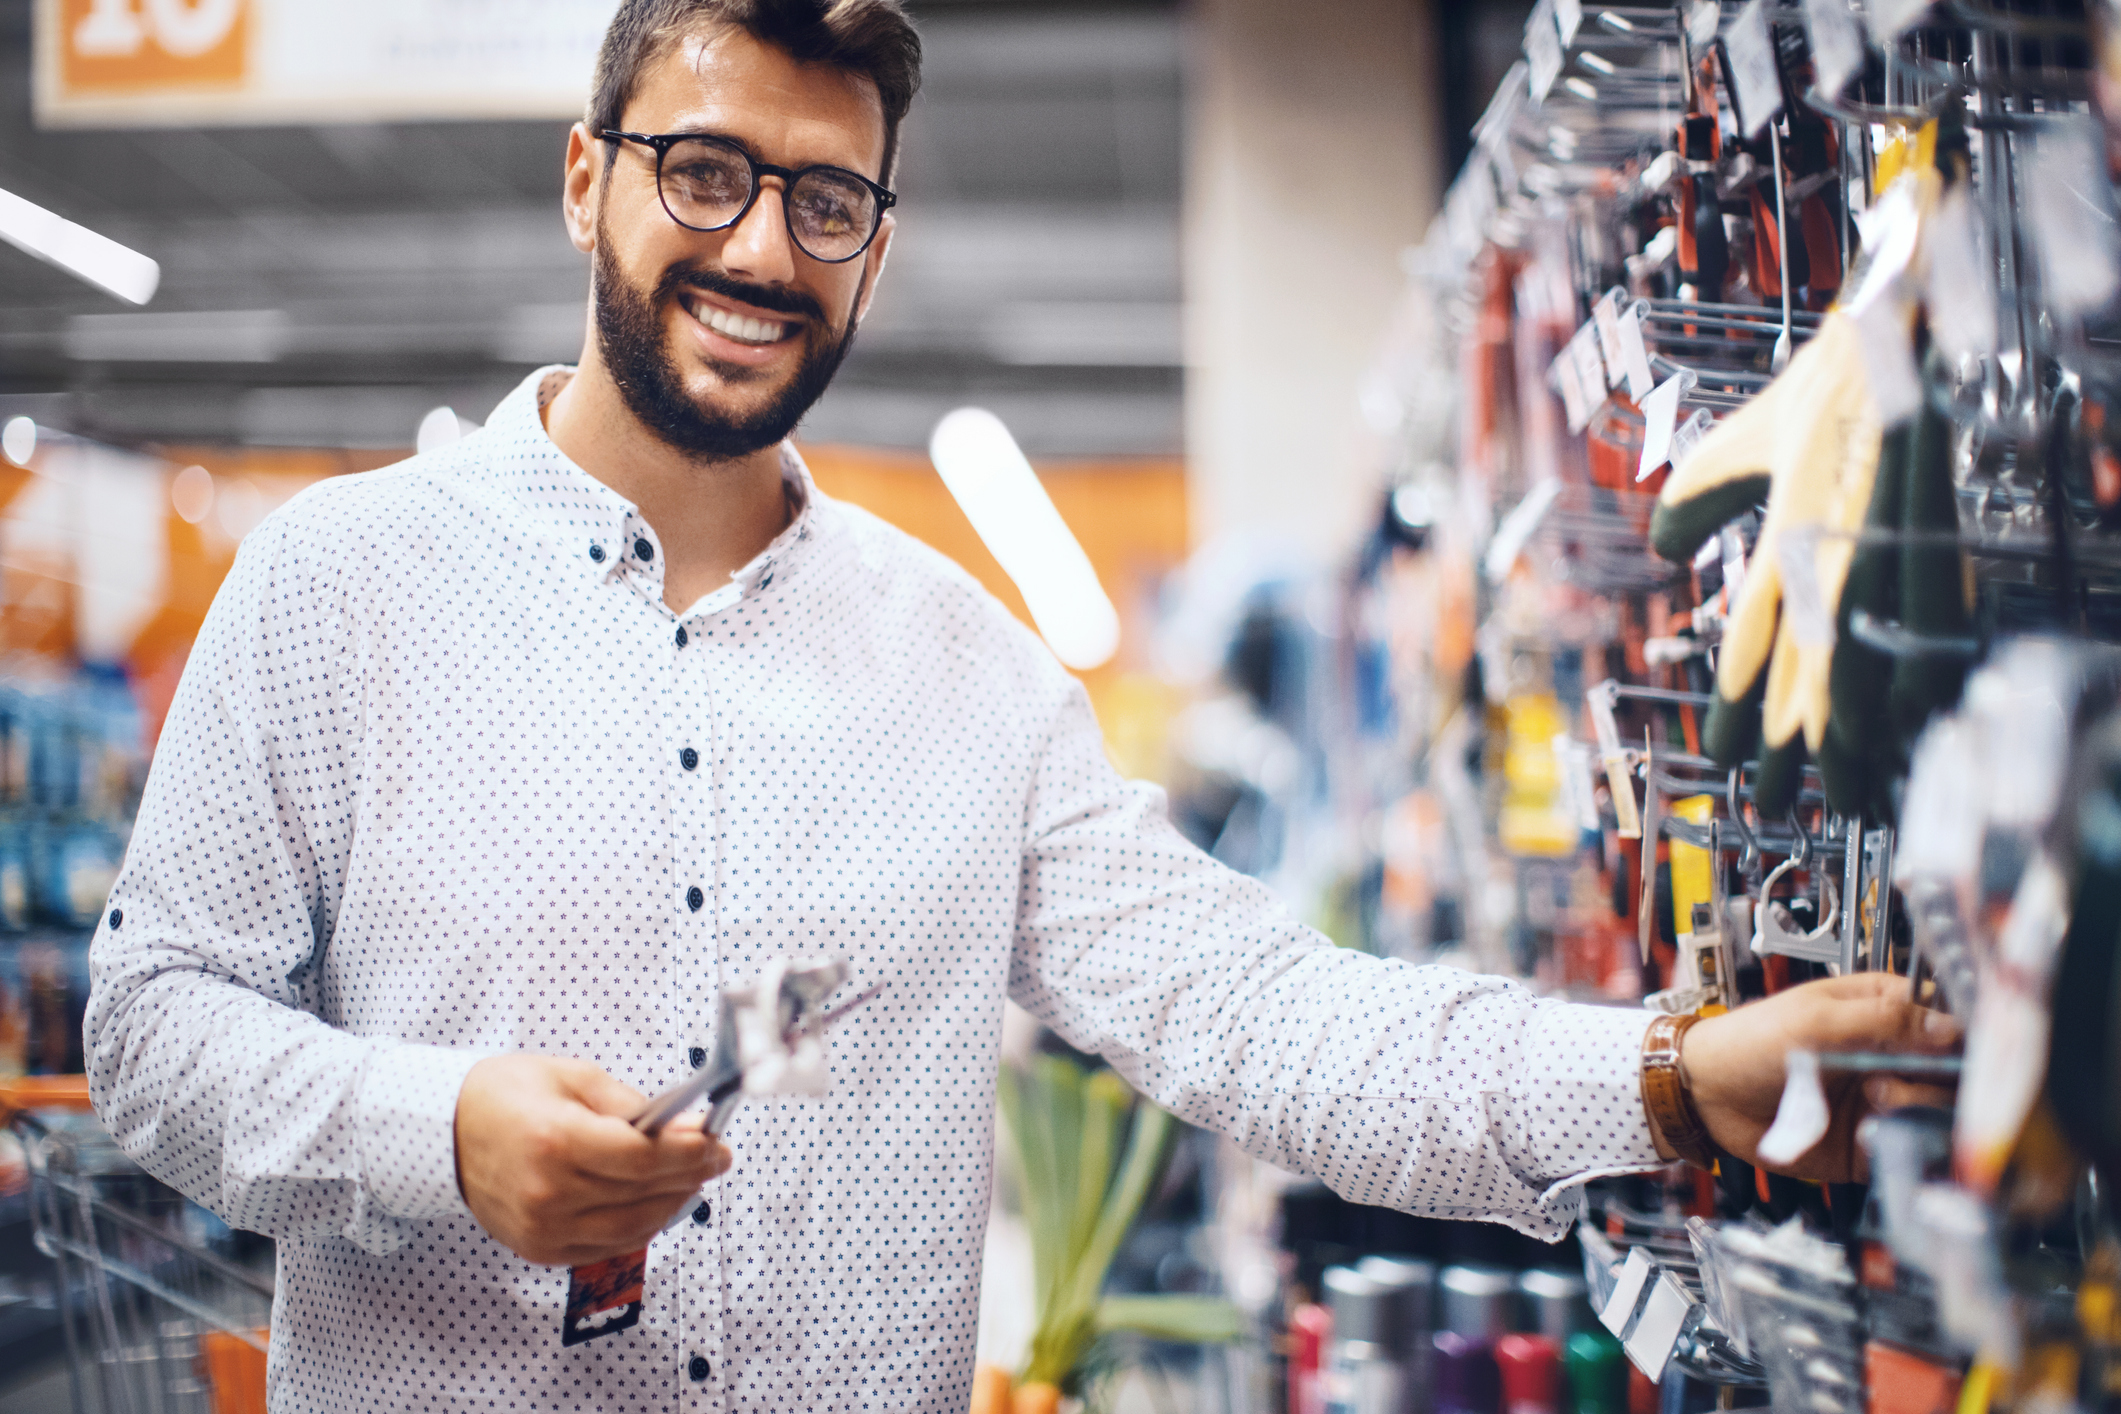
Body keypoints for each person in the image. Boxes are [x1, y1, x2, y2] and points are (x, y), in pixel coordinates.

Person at [85, 2, 1956, 1410]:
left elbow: (1258, 1014)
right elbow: (153, 1032)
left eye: (825, 202)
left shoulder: (965, 675)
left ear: (874, 248)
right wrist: (436, 1128)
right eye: (705, 172)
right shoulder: (341, 585)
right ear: (590, 177)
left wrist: (1661, 1075)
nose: (758, 251)